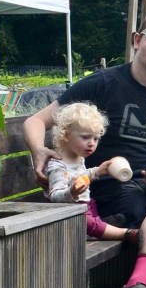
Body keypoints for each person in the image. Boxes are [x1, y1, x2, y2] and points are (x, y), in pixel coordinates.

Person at [23, 12, 146, 288]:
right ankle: (139, 284)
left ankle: (138, 286)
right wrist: (38, 150)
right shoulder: (101, 85)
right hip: (103, 187)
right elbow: (35, 121)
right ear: (137, 40)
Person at [45, 102, 138, 243]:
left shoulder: (78, 158)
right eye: (85, 137)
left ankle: (97, 227)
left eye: (95, 139)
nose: (92, 143)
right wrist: (72, 192)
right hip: (66, 214)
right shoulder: (57, 166)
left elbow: (82, 176)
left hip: (85, 206)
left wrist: (99, 171)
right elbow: (55, 196)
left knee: (92, 211)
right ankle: (125, 233)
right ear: (66, 135)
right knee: (86, 221)